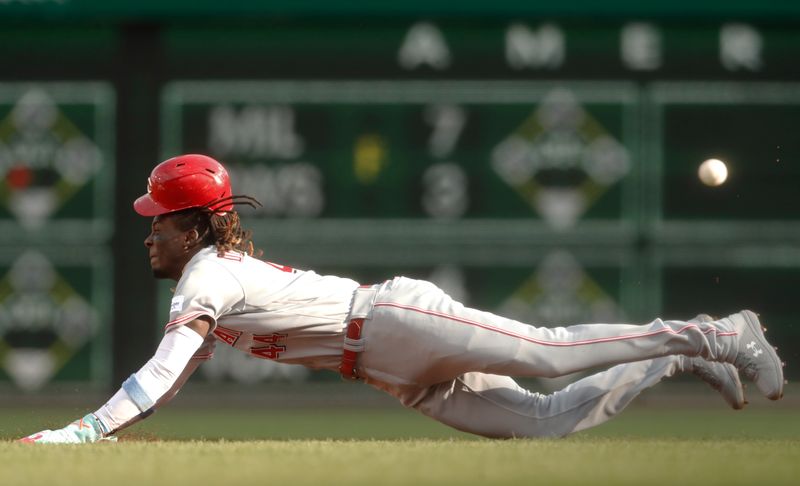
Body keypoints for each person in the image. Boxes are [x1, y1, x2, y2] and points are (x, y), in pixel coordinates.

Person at [20, 154, 785, 443]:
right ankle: (680, 360)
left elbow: (158, 372)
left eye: (159, 221)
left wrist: (87, 431)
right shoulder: (209, 273)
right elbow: (174, 377)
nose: (148, 234)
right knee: (548, 424)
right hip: (389, 369)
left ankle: (718, 334)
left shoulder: (207, 275)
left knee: (545, 350)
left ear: (192, 225)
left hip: (391, 321)